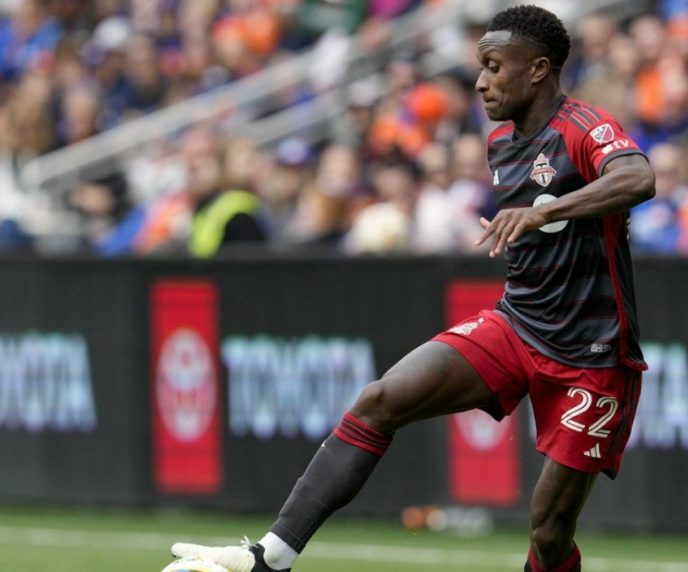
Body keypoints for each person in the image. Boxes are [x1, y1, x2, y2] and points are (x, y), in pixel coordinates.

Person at [170, 5, 656, 572]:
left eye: (495, 67)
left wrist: (541, 212)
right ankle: (270, 559)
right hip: (519, 324)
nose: (481, 82)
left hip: (592, 355)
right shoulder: (502, 143)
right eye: (481, 67)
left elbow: (637, 177)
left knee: (548, 533)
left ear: (538, 69)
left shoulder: (583, 126)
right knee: (380, 399)